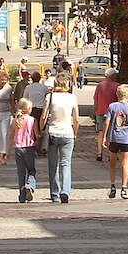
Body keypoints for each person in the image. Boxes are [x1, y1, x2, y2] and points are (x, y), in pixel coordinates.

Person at [41, 73, 79, 203]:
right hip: (67, 132)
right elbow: (76, 118)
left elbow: (44, 115)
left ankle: (55, 193)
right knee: (66, 163)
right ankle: (65, 190)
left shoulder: (50, 96)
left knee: (53, 164)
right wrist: (75, 132)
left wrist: (41, 129)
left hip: (53, 132)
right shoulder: (72, 98)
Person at [102, 83, 128, 201]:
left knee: (112, 163)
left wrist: (104, 136)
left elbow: (106, 122)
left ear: (117, 94)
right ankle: (124, 188)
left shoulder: (112, 106)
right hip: (126, 139)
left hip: (114, 138)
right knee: (125, 164)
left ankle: (113, 185)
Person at [9, 97, 38, 203]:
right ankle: (30, 185)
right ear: (28, 109)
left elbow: (11, 136)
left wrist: (7, 151)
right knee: (31, 170)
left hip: (18, 148)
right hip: (29, 147)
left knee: (21, 173)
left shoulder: (15, 120)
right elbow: (37, 134)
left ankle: (21, 196)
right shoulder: (32, 120)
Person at [93, 68, 120, 162]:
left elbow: (95, 99)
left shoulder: (99, 85)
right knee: (112, 132)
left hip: (101, 111)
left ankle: (99, 153)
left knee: (100, 132)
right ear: (112, 76)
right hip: (113, 112)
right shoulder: (117, 86)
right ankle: (111, 154)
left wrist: (95, 109)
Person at [25, 71, 49, 155]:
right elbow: (48, 97)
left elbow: (25, 98)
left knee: (32, 129)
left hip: (31, 110)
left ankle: (33, 146)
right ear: (39, 79)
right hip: (41, 110)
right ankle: (41, 147)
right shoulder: (44, 87)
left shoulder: (28, 87)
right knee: (42, 129)